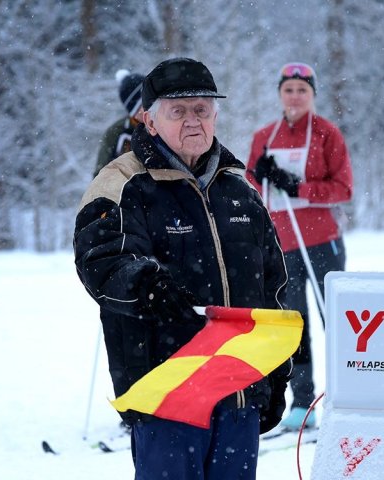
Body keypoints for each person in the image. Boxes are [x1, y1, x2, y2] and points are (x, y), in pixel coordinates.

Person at [74, 57, 291, 479]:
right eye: (178, 111)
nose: (193, 121)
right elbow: (100, 260)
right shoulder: (123, 181)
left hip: (239, 393)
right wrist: (146, 285)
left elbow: (272, 287)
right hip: (168, 396)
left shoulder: (238, 188)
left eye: (202, 110)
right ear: (149, 121)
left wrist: (276, 373)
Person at [246, 62, 353, 431]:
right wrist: (260, 177)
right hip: (283, 244)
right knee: (295, 324)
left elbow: (343, 189)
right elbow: (249, 187)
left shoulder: (326, 133)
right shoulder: (264, 135)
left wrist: (299, 187)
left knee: (335, 320)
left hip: (323, 242)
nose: (295, 96)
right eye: (289, 89)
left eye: (302, 90)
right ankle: (302, 402)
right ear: (279, 93)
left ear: (312, 95)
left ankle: (346, 395)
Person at [93, 69, 145, 177]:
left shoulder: (169, 124)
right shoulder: (116, 133)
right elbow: (100, 177)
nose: (150, 108)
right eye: (143, 105)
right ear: (133, 112)